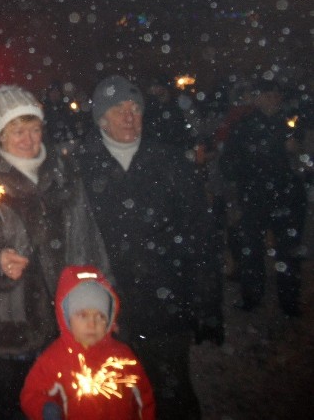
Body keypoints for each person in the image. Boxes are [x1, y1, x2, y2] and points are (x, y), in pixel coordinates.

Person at [0, 85, 109, 420]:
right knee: (14, 408)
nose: (28, 139)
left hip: (63, 320)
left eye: (34, 129)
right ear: (1, 135)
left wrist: (99, 297)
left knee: (62, 407)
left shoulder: (63, 177)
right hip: (3, 326)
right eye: (18, 131)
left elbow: (88, 241)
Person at [75, 75, 224, 420]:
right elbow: (74, 240)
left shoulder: (170, 163)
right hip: (107, 310)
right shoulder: (81, 168)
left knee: (172, 394)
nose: (129, 117)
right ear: (101, 119)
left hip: (166, 304)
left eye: (135, 109)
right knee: (114, 400)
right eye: (118, 109)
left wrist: (207, 300)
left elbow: (201, 236)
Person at [20, 265, 156, 420]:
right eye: (83, 315)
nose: (92, 324)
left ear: (110, 318)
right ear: (67, 317)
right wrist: (44, 409)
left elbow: (143, 398)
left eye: (100, 316)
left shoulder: (123, 357)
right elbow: (31, 394)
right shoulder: (53, 359)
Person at [220, 79, 307, 316]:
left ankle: (289, 302)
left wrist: (297, 152)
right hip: (255, 196)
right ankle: (251, 296)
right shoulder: (244, 126)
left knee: (288, 252)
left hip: (288, 198)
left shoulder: (293, 124)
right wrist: (246, 170)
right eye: (267, 95)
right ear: (257, 98)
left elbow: (305, 163)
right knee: (251, 250)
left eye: (276, 95)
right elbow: (228, 163)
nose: (272, 100)